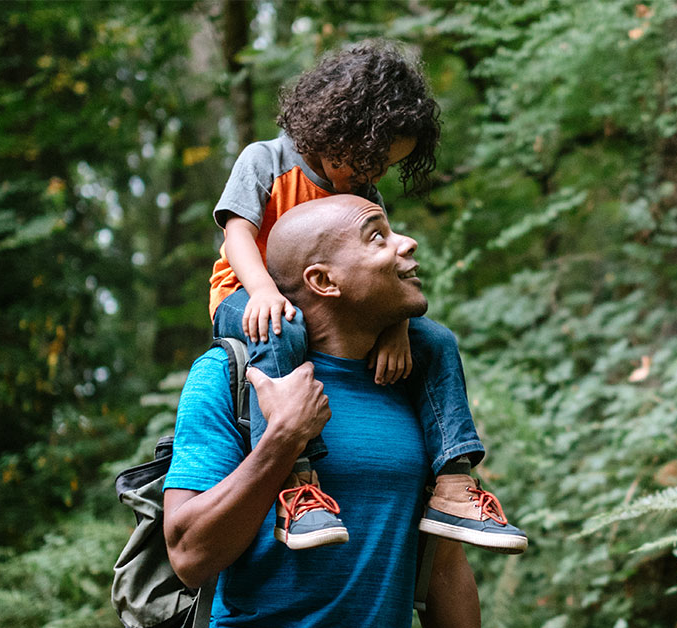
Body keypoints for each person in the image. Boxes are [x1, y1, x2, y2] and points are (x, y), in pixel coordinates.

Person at [209, 40, 527, 553]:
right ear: (339, 128)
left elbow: (387, 275)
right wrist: (263, 290)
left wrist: (397, 327)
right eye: (370, 160)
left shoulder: (362, 195)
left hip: (335, 306)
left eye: (385, 167)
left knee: (437, 341)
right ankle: (298, 480)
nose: (374, 176)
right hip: (249, 295)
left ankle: (454, 484)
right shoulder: (266, 160)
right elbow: (237, 235)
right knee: (281, 326)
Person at [164, 195, 482, 628]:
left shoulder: (415, 381)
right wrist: (284, 438)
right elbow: (189, 556)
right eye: (378, 236)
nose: (407, 243)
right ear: (323, 281)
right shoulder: (231, 376)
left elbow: (444, 568)